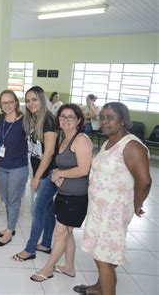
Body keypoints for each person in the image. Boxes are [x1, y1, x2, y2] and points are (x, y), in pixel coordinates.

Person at [74, 102, 151, 295]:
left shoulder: (132, 146)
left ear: (123, 121)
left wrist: (136, 204)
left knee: (103, 258)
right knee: (100, 253)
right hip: (100, 209)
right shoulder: (109, 141)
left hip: (113, 213)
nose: (105, 122)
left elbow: (145, 182)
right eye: (102, 117)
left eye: (110, 117)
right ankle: (99, 287)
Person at [30, 104, 92, 282]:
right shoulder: (64, 138)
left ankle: (48, 269)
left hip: (76, 197)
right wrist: (56, 174)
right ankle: (69, 267)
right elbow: (62, 165)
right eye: (62, 116)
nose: (65, 120)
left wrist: (59, 173)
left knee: (60, 233)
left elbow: (83, 169)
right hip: (65, 194)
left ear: (79, 120)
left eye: (70, 117)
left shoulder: (81, 139)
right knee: (67, 233)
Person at [12, 86, 57, 261]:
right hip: (40, 170)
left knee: (36, 210)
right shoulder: (33, 118)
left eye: (35, 99)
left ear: (42, 99)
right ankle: (46, 243)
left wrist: (37, 177)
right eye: (28, 100)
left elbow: (50, 152)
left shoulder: (48, 120)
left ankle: (30, 249)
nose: (31, 103)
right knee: (47, 210)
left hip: (48, 173)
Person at [0, 90, 28, 246]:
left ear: (16, 103)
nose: (7, 105)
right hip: (1, 166)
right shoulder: (0, 119)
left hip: (17, 168)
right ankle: (10, 227)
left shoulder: (24, 121)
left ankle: (9, 231)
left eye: (10, 102)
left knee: (13, 200)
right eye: (3, 102)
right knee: (6, 199)